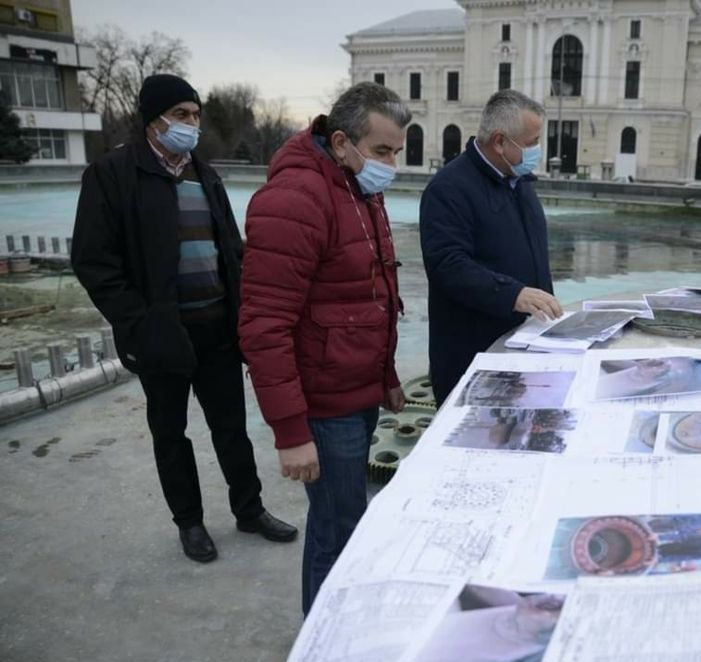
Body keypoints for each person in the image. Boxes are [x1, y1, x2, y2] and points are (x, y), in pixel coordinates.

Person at [71, 74, 297, 564]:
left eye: (195, 115)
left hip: (217, 328)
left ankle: (250, 509)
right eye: (181, 115)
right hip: (161, 336)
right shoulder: (113, 175)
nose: (191, 124)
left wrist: (244, 311)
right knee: (171, 433)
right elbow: (93, 262)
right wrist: (140, 323)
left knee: (231, 427)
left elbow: (231, 251)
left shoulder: (205, 174)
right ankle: (190, 522)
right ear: (153, 120)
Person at [239, 82, 409, 615]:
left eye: (396, 152)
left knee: (343, 521)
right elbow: (264, 326)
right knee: (338, 531)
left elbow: (369, 294)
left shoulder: (357, 187)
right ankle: (325, 646)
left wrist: (386, 377)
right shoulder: (296, 199)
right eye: (382, 150)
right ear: (340, 142)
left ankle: (337, 632)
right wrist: (291, 433)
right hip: (325, 404)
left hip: (355, 390)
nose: (390, 164)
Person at [420, 90, 563, 403]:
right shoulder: (449, 188)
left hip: (524, 349)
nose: (537, 151)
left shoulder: (519, 181)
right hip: (473, 360)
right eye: (531, 142)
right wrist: (512, 294)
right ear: (499, 142)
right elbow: (447, 265)